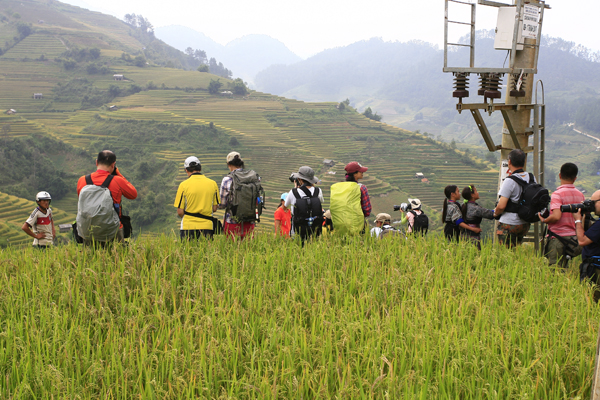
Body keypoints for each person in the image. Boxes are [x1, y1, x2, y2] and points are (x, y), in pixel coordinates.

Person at [76, 150, 137, 244]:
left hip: (88, 230)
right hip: (112, 230)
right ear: (113, 165)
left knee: (90, 257)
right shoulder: (117, 180)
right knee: (117, 257)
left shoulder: (82, 180)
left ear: (96, 162)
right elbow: (133, 194)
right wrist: (119, 174)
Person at [538, 162, 584, 269]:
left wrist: (544, 220)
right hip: (574, 240)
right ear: (575, 178)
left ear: (560, 175)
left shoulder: (557, 194)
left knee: (555, 271)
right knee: (565, 267)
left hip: (558, 239)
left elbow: (556, 216)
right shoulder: (580, 194)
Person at [492, 149, 534, 248]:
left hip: (509, 224)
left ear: (509, 161)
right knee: (516, 250)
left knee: (505, 253)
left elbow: (501, 206)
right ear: (524, 161)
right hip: (524, 223)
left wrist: (495, 214)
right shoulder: (531, 177)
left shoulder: (510, 181)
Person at [174, 156, 220, 240]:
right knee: (207, 252)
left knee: (188, 252)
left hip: (188, 226)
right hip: (207, 227)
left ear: (186, 170)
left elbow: (180, 211)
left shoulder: (183, 185)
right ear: (200, 168)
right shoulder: (213, 184)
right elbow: (214, 208)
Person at [219, 151, 258, 240]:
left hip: (232, 222)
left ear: (229, 164)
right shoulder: (252, 177)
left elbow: (222, 204)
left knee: (231, 251)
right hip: (249, 221)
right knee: (248, 250)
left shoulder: (227, 179)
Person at [285, 166, 324, 243]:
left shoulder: (293, 192)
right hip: (314, 229)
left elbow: (286, 205)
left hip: (297, 231)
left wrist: (295, 188)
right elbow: (321, 201)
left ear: (299, 179)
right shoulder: (318, 191)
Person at [329, 162, 371, 235]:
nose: (362, 172)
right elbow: (367, 210)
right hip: (357, 225)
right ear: (355, 174)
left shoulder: (337, 188)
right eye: (360, 171)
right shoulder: (361, 188)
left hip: (339, 225)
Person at [574, 190, 600, 302]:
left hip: (596, 268)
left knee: (592, 302)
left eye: (593, 202)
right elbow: (590, 234)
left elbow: (582, 241)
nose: (592, 205)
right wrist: (586, 216)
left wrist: (577, 220)